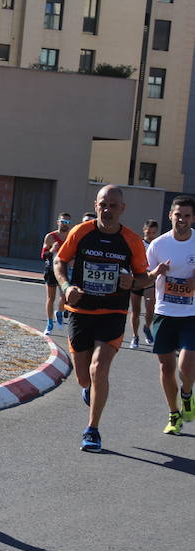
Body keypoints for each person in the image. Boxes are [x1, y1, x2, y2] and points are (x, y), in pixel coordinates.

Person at [54, 185, 149, 453]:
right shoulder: (81, 232)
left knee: (99, 369)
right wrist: (66, 287)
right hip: (81, 312)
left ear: (122, 209)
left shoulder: (131, 241)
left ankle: (92, 429)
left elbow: (144, 277)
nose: (107, 210)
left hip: (113, 312)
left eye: (113, 206)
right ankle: (89, 390)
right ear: (96, 205)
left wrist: (133, 281)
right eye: (103, 205)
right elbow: (59, 262)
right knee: (84, 377)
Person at [145, 196, 195, 435]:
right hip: (164, 313)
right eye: (178, 215)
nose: (182, 220)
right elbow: (144, 276)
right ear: (170, 216)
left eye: (186, 215)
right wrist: (157, 271)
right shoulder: (158, 245)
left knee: (186, 363)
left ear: (192, 218)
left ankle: (187, 394)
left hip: (191, 313)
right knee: (166, 367)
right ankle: (174, 415)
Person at [130, 219, 159, 348]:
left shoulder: (158, 245)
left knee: (150, 309)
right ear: (144, 230)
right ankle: (135, 337)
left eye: (153, 232)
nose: (150, 235)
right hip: (136, 280)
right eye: (148, 232)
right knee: (135, 311)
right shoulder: (138, 243)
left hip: (150, 280)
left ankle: (147, 327)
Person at [42, 212, 72, 335]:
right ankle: (49, 323)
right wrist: (51, 250)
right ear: (58, 222)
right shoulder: (51, 237)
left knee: (65, 295)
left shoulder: (71, 236)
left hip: (64, 270)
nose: (65, 224)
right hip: (50, 269)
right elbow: (43, 255)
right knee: (51, 298)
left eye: (67, 222)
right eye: (63, 221)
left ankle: (59, 313)